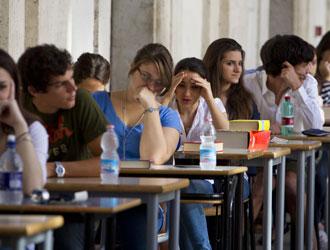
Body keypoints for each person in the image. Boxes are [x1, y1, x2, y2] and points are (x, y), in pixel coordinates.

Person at [18, 44, 108, 250]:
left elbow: (109, 162)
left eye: (72, 79)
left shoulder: (81, 101)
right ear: (33, 90)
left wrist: (54, 168)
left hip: (73, 201)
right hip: (23, 198)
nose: (73, 88)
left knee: (67, 244)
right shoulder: (19, 107)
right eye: (61, 84)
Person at [92, 43, 182, 249]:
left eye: (159, 82)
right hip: (95, 192)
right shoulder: (97, 102)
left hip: (142, 200)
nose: (150, 86)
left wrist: (151, 107)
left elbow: (152, 157)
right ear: (133, 67)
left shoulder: (167, 116)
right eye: (145, 76)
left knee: (133, 221)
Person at [244, 34, 324, 247]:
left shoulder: (307, 84)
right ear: (285, 66)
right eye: (304, 64)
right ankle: (239, 240)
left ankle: (309, 243)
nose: (308, 69)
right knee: (260, 185)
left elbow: (316, 124)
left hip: (293, 155)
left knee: (291, 183)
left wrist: (297, 87)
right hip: (256, 152)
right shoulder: (248, 82)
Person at [160, 57, 229, 249]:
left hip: (207, 179)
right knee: (177, 190)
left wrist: (208, 96)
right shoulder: (165, 105)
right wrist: (168, 94)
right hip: (168, 178)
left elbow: (225, 131)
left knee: (184, 189)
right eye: (181, 86)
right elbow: (149, 129)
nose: (187, 93)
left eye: (195, 87)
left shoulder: (212, 104)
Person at [203, 38, 262, 222]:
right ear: (215, 64)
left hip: (235, 171)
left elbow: (255, 137)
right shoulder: (198, 96)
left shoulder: (246, 101)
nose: (237, 69)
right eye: (230, 63)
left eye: (240, 64)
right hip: (203, 168)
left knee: (232, 188)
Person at [0, 49, 47, 195]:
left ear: (14, 89)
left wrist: (19, 125)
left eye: (1, 87)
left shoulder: (32, 128)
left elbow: (32, 188)